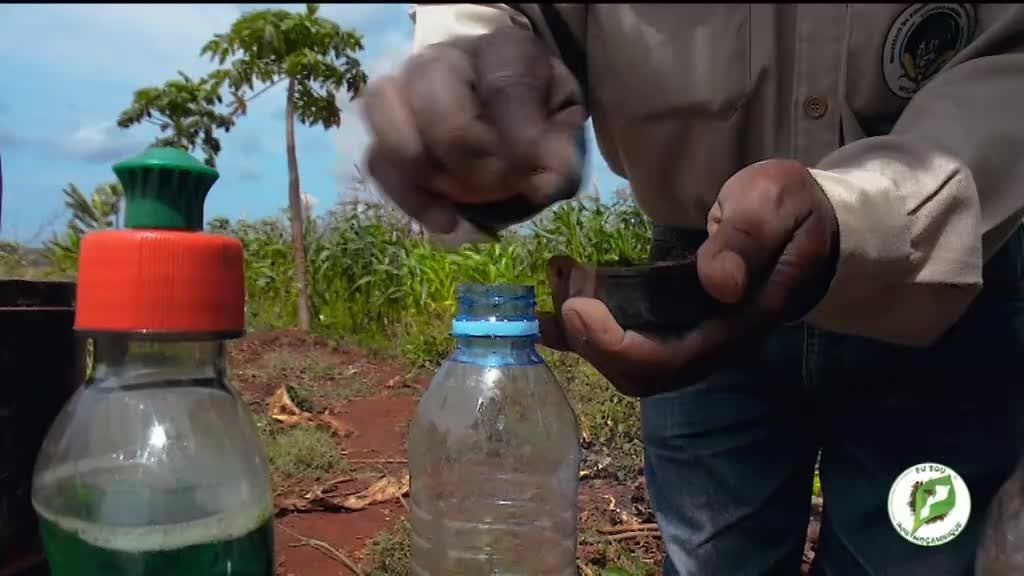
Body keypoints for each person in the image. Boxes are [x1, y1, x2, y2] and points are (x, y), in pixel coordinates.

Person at [362, 4, 1024, 574]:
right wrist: (476, 59)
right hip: (688, 285)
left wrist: (874, 218)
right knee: (712, 557)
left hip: (951, 277)